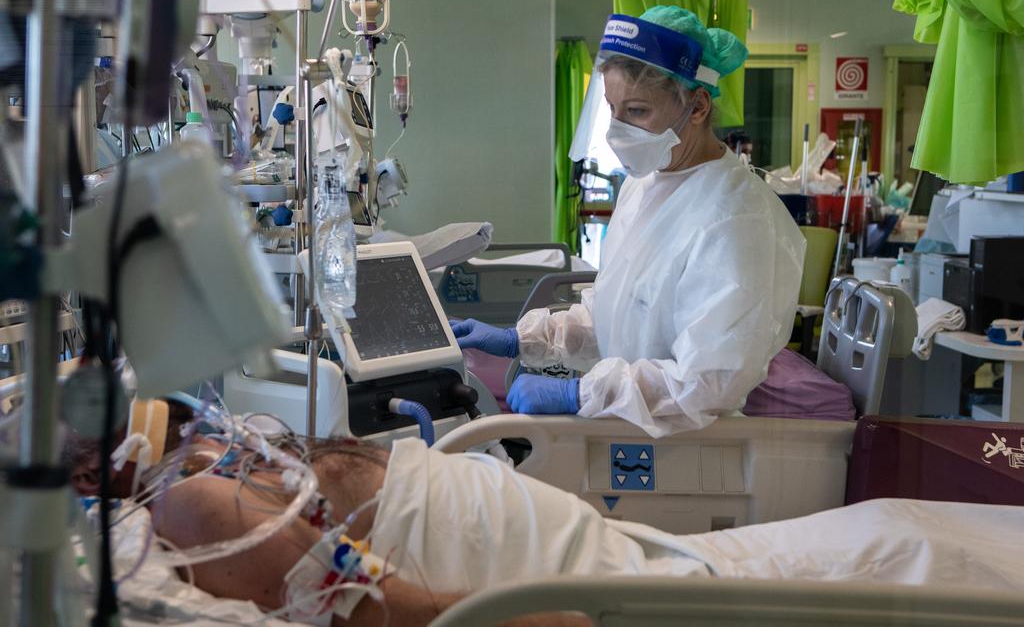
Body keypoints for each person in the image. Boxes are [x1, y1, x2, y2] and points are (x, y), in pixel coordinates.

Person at [63, 414, 1024, 627]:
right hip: (588, 580)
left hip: (607, 553)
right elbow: (389, 610)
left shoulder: (188, 473)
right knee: (905, 547)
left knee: (900, 529)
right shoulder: (186, 506)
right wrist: (526, 615)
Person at [451, 7, 806, 436]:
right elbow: (616, 314)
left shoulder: (735, 218)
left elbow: (710, 381)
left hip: (688, 444)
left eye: (637, 111)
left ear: (697, 106)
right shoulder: (647, 184)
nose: (617, 130)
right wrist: (524, 341)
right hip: (630, 428)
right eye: (613, 109)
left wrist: (581, 395)